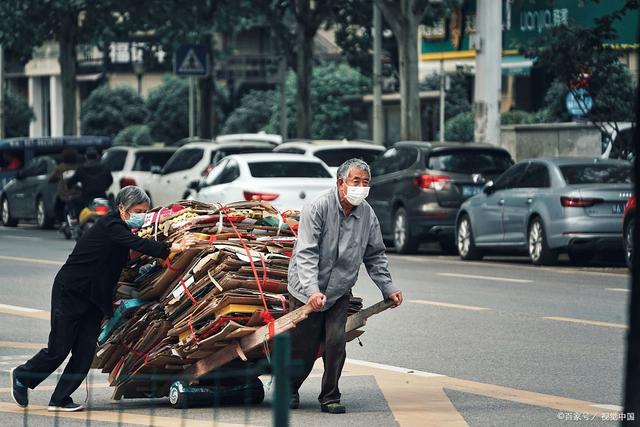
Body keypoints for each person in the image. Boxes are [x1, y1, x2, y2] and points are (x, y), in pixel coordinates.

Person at [10, 186, 198, 412]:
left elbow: (127, 254)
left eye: (145, 211)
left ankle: (60, 398)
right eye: (138, 210)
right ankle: (22, 376)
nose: (142, 215)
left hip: (95, 297)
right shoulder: (111, 225)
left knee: (85, 351)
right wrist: (170, 248)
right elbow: (136, 244)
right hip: (71, 290)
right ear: (122, 209)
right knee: (59, 348)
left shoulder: (124, 231)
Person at [287, 158, 403, 414]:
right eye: (356, 182)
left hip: (339, 290)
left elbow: (375, 255)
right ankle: (289, 388)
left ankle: (330, 396)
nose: (361, 187)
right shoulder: (318, 207)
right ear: (341, 184)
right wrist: (311, 290)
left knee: (336, 342)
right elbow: (306, 254)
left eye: (365, 183)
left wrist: (388, 288)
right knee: (304, 346)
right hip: (305, 289)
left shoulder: (367, 215)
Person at [49, 149, 82, 222]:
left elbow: (51, 179)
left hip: (64, 194)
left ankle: (62, 222)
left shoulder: (60, 167)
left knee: (57, 208)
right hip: (78, 193)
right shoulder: (79, 167)